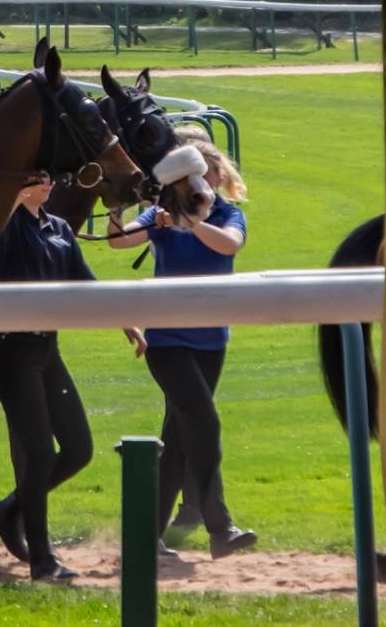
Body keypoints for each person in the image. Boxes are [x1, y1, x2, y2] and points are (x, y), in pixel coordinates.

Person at [108, 138, 259, 559]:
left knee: (176, 441)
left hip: (211, 343)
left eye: (208, 176)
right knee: (204, 425)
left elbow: (229, 245)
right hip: (167, 343)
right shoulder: (160, 215)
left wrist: (191, 223)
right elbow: (118, 242)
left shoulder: (229, 215)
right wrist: (120, 207)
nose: (203, 184)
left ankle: (145, 535)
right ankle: (220, 528)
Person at [0, 174, 121, 581]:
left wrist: (125, 319)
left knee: (79, 448)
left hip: (47, 350)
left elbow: (85, 282)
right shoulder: (5, 224)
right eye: (38, 178)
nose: (48, 183)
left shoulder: (58, 228)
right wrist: (10, 200)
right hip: (11, 351)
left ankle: (8, 511)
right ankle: (42, 559)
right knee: (39, 454)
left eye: (50, 177)